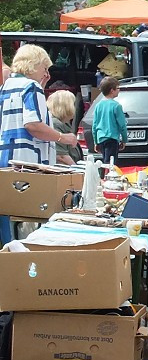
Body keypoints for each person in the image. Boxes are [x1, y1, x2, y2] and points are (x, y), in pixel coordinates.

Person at [0, 45, 79, 243]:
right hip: (28, 166)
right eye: (45, 67)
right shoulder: (30, 87)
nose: (47, 73)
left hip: (7, 161)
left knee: (8, 218)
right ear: (33, 65)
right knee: (27, 226)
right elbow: (33, 124)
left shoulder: (6, 86)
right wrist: (63, 138)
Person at [91, 76, 127, 166]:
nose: (119, 90)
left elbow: (94, 125)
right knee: (111, 163)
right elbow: (122, 125)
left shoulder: (98, 105)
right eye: (118, 88)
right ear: (112, 90)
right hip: (112, 138)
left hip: (101, 138)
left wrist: (95, 141)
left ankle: (104, 177)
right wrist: (124, 140)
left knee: (105, 160)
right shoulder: (116, 106)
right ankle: (107, 178)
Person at [46, 90, 82, 166]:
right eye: (73, 104)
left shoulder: (64, 123)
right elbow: (61, 156)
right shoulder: (55, 124)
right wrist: (78, 170)